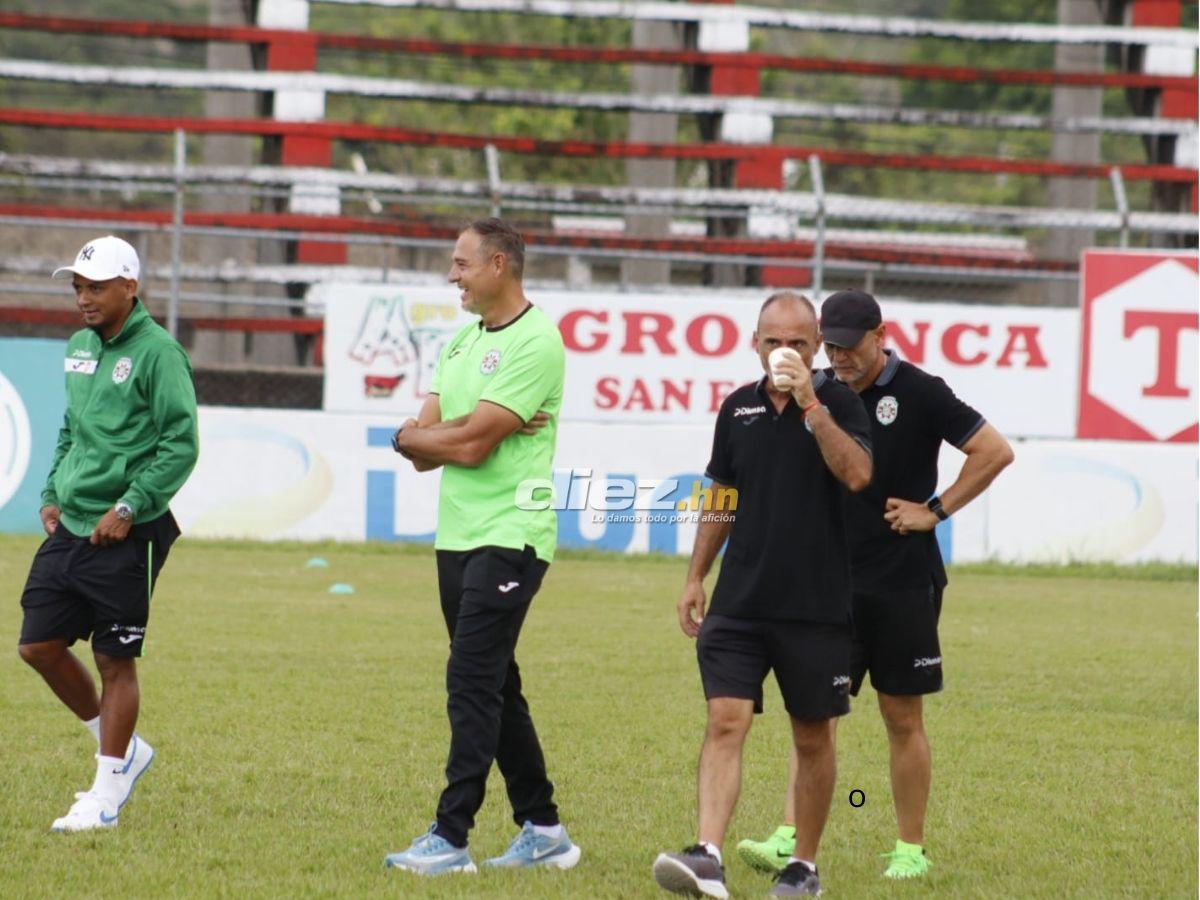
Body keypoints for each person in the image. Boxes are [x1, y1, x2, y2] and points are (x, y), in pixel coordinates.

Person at [737, 289, 1014, 880]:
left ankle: (910, 849)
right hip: (826, 584)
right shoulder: (813, 391)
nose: (838, 357)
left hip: (900, 582)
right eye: (830, 346)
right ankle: (789, 836)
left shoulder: (921, 391)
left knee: (901, 716)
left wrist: (934, 511)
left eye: (849, 346)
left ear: (880, 336)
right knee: (816, 717)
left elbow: (994, 451)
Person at [653, 292, 873, 899]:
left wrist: (810, 404)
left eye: (798, 343)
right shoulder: (737, 408)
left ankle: (803, 866)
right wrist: (695, 576)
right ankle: (707, 855)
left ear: (817, 347)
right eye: (773, 341)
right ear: (754, 343)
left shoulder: (842, 403)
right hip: (739, 602)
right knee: (725, 719)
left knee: (812, 737)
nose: (784, 352)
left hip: (816, 607)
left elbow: (857, 474)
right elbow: (722, 495)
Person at [384, 218, 580, 875]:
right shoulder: (463, 342)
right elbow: (421, 449)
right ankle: (544, 829)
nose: (452, 276)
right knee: (496, 682)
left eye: (462, 264)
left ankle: (450, 837)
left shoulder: (537, 341)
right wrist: (431, 434)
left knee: (470, 679)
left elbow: (465, 446)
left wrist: (435, 434)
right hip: (458, 536)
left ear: (499, 265)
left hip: (512, 534)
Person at [18, 235, 199, 832]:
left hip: (129, 530)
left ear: (130, 287)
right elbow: (72, 428)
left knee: (113, 659)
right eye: (77, 287)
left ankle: (105, 793)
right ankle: (123, 751)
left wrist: (128, 505)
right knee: (38, 647)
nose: (83, 298)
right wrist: (52, 491)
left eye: (95, 287)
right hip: (71, 524)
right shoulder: (79, 346)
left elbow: (180, 444)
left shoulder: (159, 353)